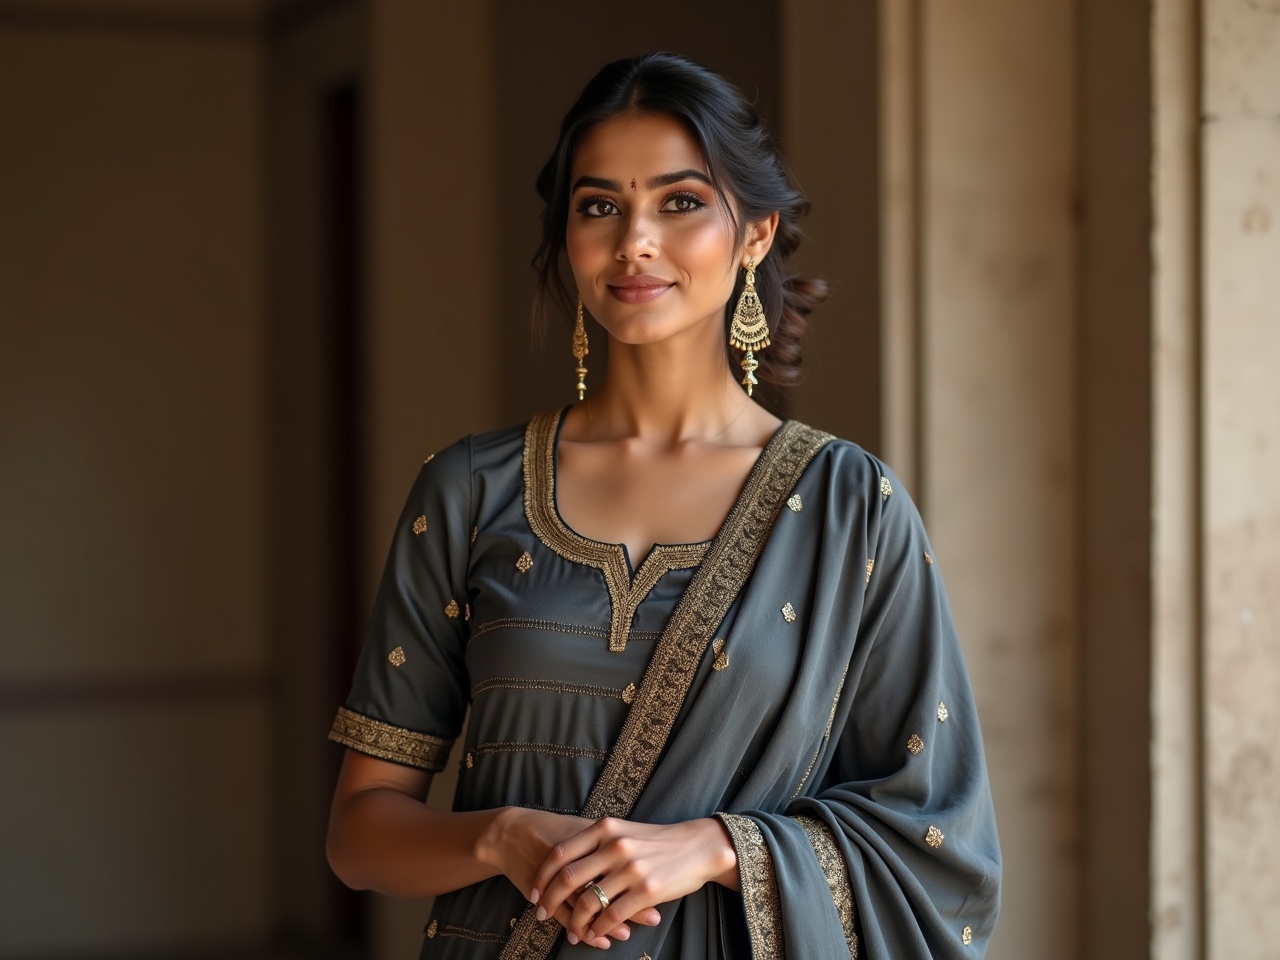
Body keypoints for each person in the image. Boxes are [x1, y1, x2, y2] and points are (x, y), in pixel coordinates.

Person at [325, 52, 1000, 959]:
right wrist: (497, 835)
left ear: (756, 234)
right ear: (567, 238)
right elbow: (361, 836)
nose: (633, 240)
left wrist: (720, 847)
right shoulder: (472, 490)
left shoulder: (850, 509)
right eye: (598, 206)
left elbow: (942, 849)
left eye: (680, 203)